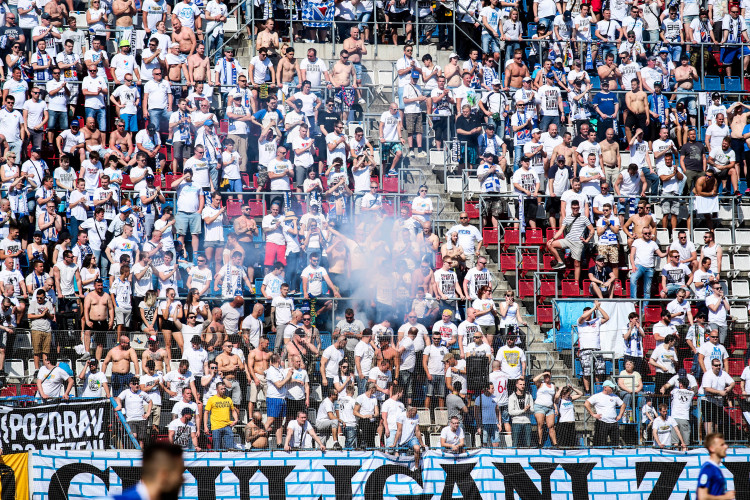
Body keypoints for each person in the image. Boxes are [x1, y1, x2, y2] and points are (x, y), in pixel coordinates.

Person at [584, 380, 625, 447]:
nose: (612, 389)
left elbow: (623, 405)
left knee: (615, 442)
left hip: (613, 422)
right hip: (602, 422)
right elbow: (586, 403)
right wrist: (593, 414)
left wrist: (620, 415)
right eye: (611, 387)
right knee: (601, 443)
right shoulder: (597, 396)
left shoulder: (614, 396)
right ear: (605, 387)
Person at [696, 433, 734, 500]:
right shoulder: (708, 469)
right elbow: (701, 497)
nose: (726, 446)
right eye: (722, 445)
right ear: (712, 448)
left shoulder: (716, 468)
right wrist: (725, 497)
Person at [203, 381, 238, 450]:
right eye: (221, 389)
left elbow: (233, 410)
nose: (223, 390)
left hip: (227, 426)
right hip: (216, 427)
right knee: (217, 449)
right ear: (217, 389)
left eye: (224, 389)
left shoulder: (228, 399)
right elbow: (206, 413)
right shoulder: (211, 399)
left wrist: (236, 420)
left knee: (230, 449)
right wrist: (205, 426)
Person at [508, 378, 533, 447]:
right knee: (515, 443)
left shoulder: (528, 396)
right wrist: (523, 410)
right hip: (516, 422)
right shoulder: (512, 397)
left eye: (524, 384)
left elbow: (533, 410)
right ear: (516, 385)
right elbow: (511, 412)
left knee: (528, 444)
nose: (522, 386)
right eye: (520, 384)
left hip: (527, 421)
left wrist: (528, 410)